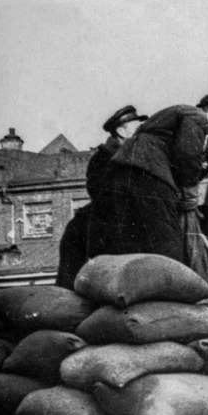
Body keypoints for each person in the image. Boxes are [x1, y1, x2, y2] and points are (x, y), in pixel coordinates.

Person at [103, 95, 208, 278]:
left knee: (133, 240)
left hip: (119, 171)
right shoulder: (198, 116)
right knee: (166, 241)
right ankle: (171, 297)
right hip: (149, 174)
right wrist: (190, 192)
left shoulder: (172, 117)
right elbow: (187, 154)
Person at [56, 104, 146, 288]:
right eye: (136, 128)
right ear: (122, 131)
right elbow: (98, 192)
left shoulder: (139, 154)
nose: (141, 132)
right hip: (109, 223)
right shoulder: (102, 159)